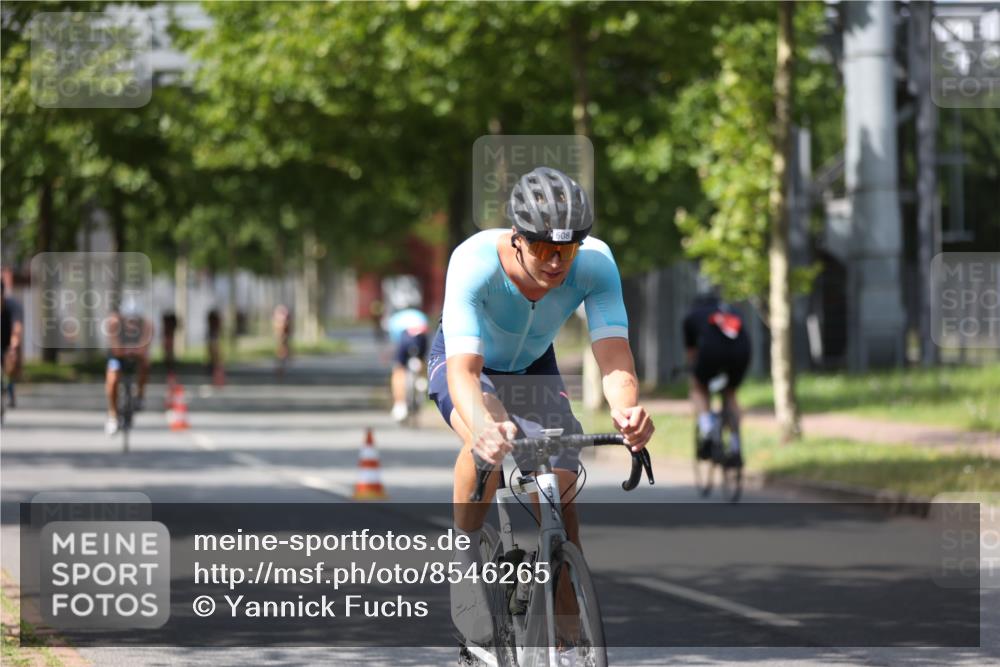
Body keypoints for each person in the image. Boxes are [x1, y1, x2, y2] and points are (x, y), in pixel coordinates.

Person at [427, 166, 654, 647]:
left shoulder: (596, 264)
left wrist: (628, 409)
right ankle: (464, 558)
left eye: (566, 250)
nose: (555, 262)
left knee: (562, 475)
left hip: (533, 365)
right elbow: (464, 373)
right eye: (542, 249)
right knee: (483, 441)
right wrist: (486, 425)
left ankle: (565, 588)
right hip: (470, 363)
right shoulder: (473, 261)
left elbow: (613, 353)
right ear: (516, 239)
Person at [682, 287, 752, 467]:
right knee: (730, 393)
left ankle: (707, 431)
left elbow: (692, 354)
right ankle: (736, 447)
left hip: (711, 352)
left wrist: (693, 370)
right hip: (741, 353)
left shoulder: (692, 316)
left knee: (698, 386)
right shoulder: (732, 311)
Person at [105, 298, 152, 435]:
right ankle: (112, 415)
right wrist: (131, 349)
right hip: (117, 357)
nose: (132, 325)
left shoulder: (147, 325)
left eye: (135, 321)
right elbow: (116, 349)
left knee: (146, 362)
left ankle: (140, 395)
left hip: (135, 355)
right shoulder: (113, 323)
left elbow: (144, 348)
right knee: (113, 377)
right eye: (129, 321)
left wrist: (135, 350)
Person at [385, 303, 429, 422]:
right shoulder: (421, 316)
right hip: (421, 338)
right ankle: (422, 380)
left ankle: (400, 405)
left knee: (399, 369)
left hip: (405, 338)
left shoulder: (395, 319)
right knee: (422, 359)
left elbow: (395, 341)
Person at [1, 282, 24, 408]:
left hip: (9, 341)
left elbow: (17, 329)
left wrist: (13, 347)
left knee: (9, 366)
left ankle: (10, 394)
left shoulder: (13, 306)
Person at [273, 304, 292, 376]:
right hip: (281, 336)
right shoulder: (280, 317)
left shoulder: (283, 317)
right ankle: (280, 367)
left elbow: (287, 328)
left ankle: (281, 366)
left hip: (283, 336)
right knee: (281, 352)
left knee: (283, 351)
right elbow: (277, 327)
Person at [206, 308, 222, 376]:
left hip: (214, 336)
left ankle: (215, 366)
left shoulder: (214, 332)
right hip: (213, 336)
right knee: (213, 349)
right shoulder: (212, 332)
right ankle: (214, 365)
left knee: (214, 349)